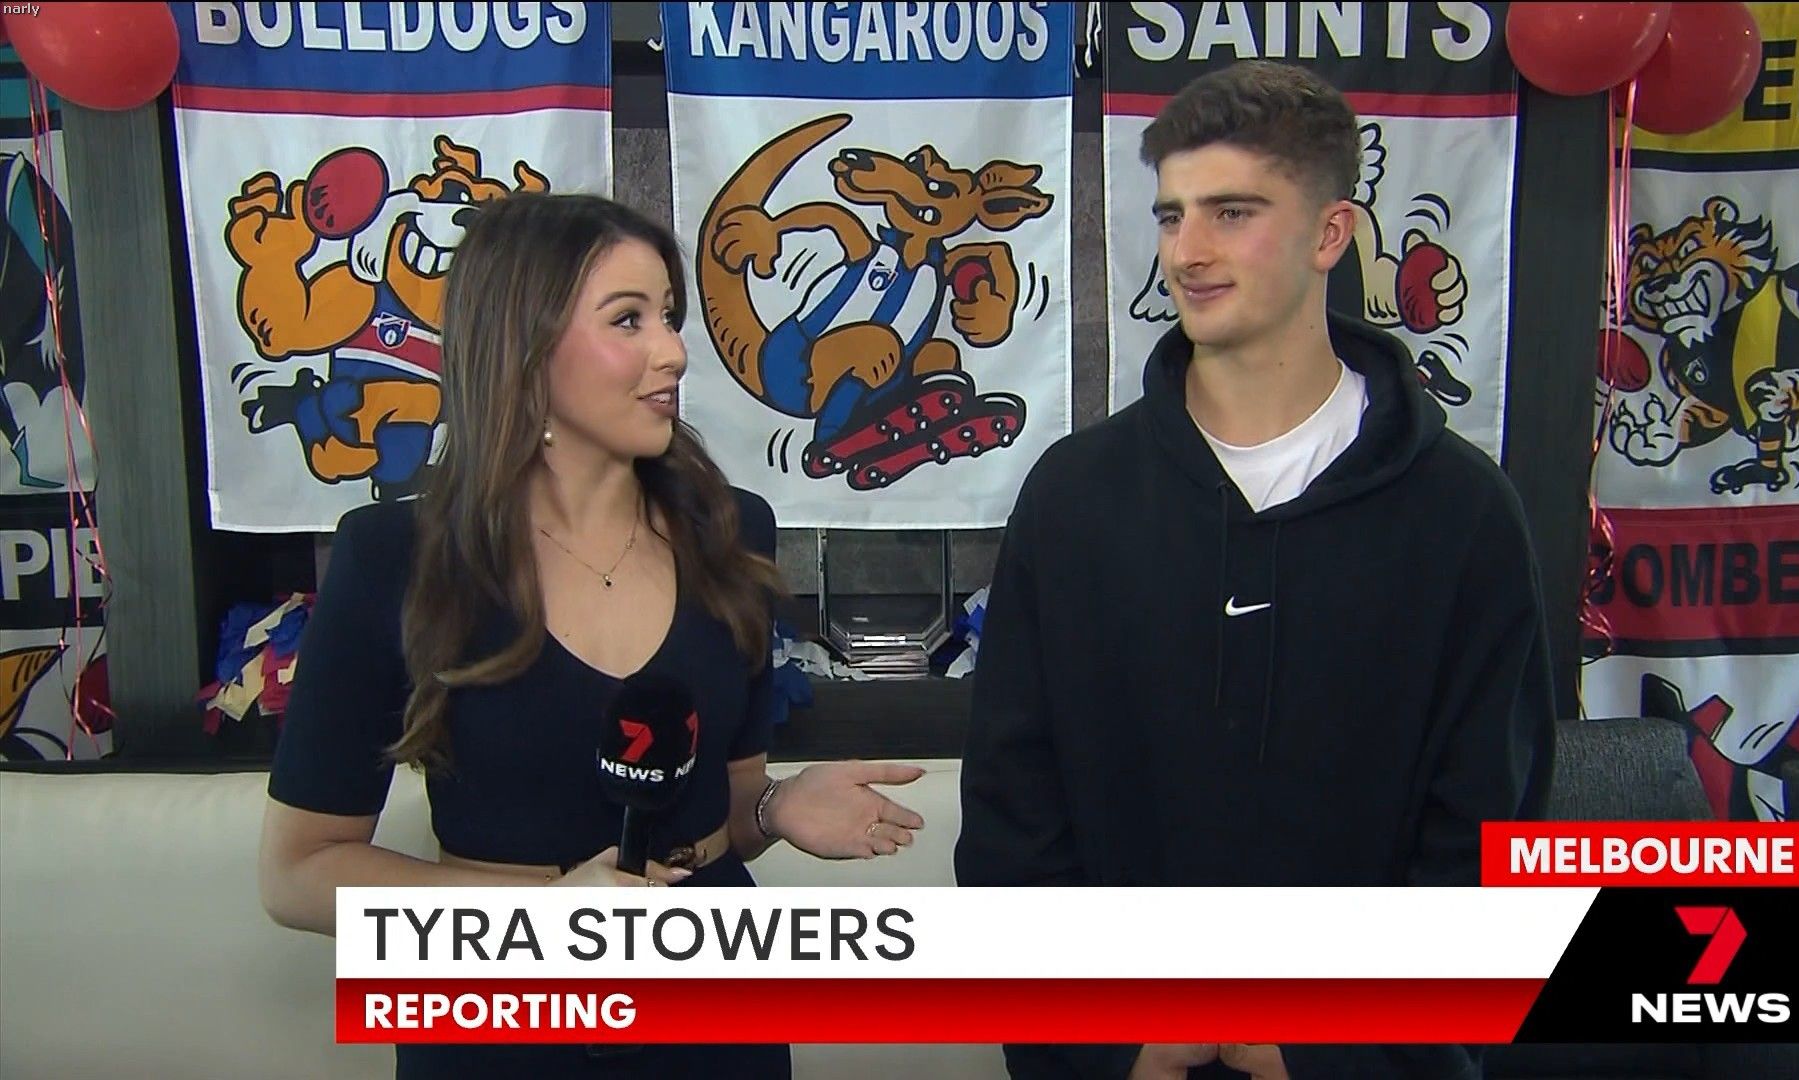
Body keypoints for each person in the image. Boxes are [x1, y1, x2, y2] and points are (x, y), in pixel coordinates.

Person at [955, 60, 1555, 1080]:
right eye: (1172, 215)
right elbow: (1014, 817)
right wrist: (1103, 1042)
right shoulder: (1075, 498)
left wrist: (1335, 1051)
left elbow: (1488, 841)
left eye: (1231, 213)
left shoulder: (1462, 514)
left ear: (1330, 233)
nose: (1187, 251)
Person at [259, 192, 927, 1079]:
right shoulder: (396, 557)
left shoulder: (733, 533)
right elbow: (298, 873)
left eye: (670, 317)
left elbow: (729, 806)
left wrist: (776, 808)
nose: (674, 351)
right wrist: (546, 918)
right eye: (628, 319)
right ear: (523, 347)